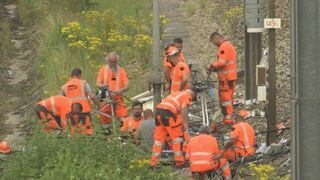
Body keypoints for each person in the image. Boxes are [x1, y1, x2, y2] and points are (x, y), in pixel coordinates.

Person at [150, 89, 196, 168]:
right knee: (177, 139)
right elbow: (184, 108)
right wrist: (185, 124)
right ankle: (179, 162)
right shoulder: (187, 96)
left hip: (158, 112)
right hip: (168, 114)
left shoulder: (176, 93)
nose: (191, 101)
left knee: (158, 140)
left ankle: (153, 163)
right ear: (193, 95)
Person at [207, 32, 237, 125]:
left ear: (216, 38)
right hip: (230, 77)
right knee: (228, 99)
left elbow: (222, 63)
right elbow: (226, 64)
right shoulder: (228, 45)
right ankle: (228, 118)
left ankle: (228, 119)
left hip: (226, 79)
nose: (214, 45)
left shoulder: (223, 47)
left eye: (213, 42)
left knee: (226, 99)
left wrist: (212, 65)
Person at [96, 52, 129, 129]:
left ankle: (122, 137)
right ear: (108, 61)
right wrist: (103, 86)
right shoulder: (103, 70)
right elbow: (97, 83)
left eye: (114, 62)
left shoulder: (121, 71)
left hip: (118, 100)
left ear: (117, 61)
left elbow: (127, 85)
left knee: (123, 121)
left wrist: (118, 91)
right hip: (105, 99)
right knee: (106, 125)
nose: (113, 64)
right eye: (111, 62)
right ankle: (108, 138)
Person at [60, 68, 100, 132]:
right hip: (84, 112)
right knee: (87, 131)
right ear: (79, 75)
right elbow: (92, 96)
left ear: (71, 75)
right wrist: (99, 105)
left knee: (74, 132)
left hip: (71, 113)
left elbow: (60, 101)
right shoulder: (83, 83)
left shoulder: (64, 86)